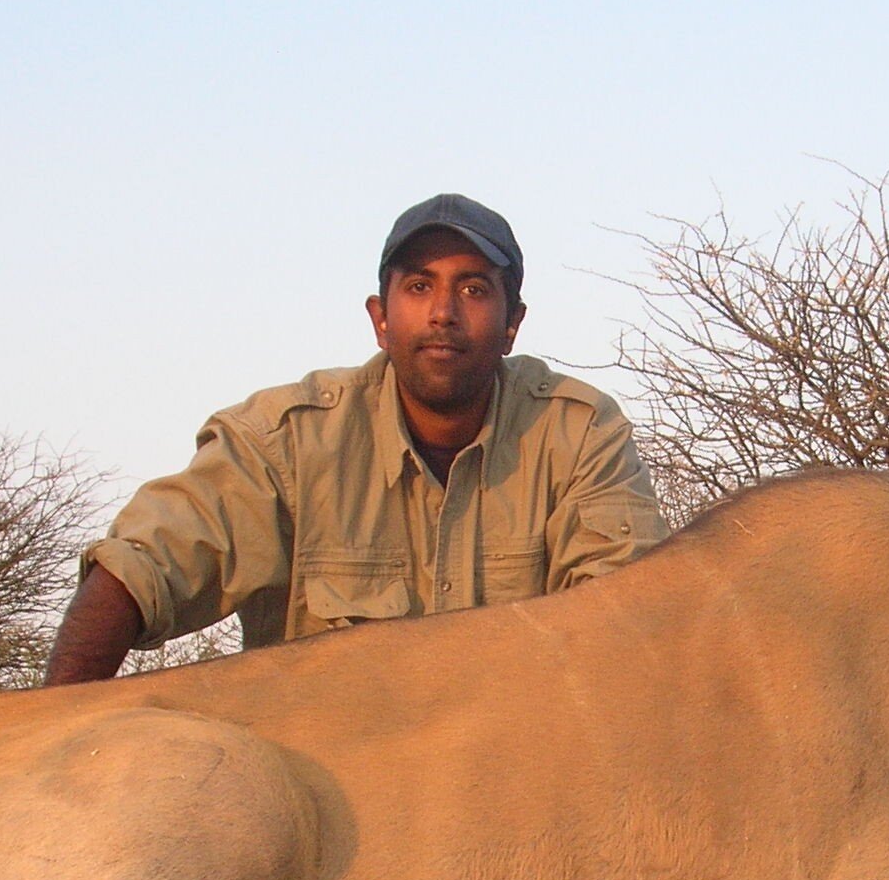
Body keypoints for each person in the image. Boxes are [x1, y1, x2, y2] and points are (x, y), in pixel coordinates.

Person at [44, 194, 667, 684]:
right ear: (380, 317)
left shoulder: (581, 431)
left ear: (512, 324)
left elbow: (628, 624)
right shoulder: (284, 440)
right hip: (323, 792)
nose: (443, 312)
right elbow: (138, 570)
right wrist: (56, 734)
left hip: (511, 783)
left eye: (474, 289)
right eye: (419, 287)